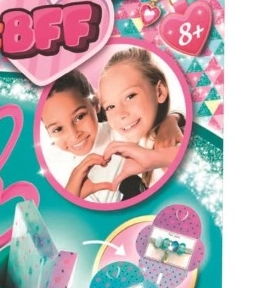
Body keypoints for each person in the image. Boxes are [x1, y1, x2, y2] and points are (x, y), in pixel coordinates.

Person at [99, 47, 186, 195]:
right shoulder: (139, 148)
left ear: (159, 92)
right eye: (110, 106)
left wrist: (157, 158)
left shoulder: (173, 142)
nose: (121, 114)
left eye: (130, 96)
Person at [40, 70, 124, 203]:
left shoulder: (122, 134)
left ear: (95, 103)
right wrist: (71, 197)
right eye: (58, 129)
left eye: (79, 117)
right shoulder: (50, 166)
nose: (74, 135)